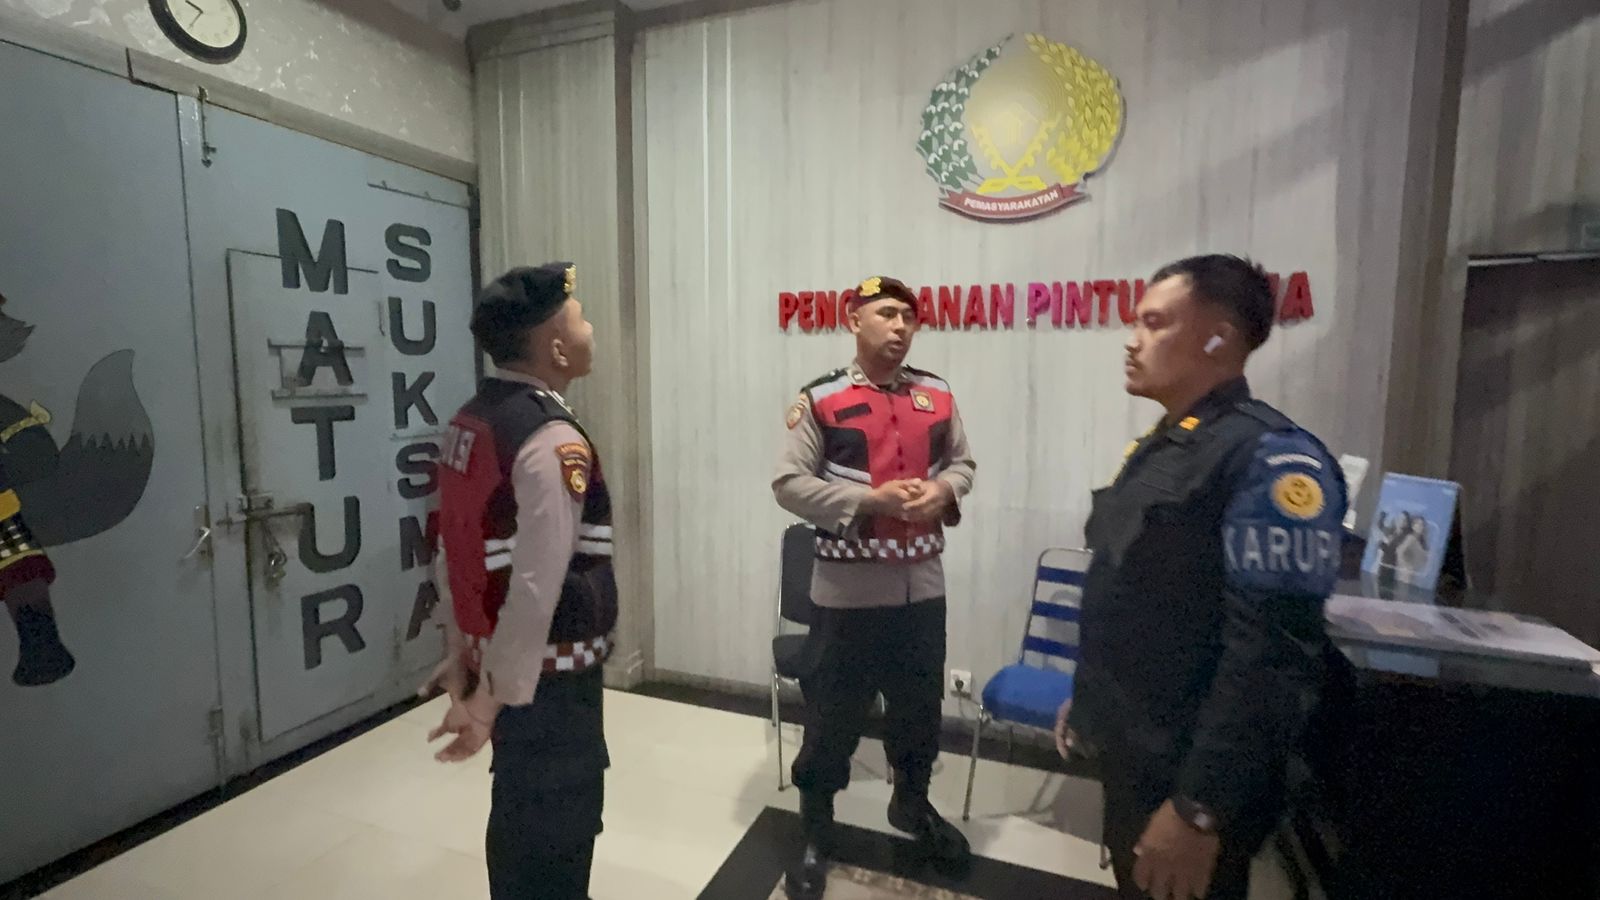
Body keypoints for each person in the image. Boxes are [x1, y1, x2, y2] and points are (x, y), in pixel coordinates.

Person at [1054, 255, 1346, 900]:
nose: (1132, 341)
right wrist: (1093, 695)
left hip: (1187, 769)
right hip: (1137, 747)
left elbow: (1271, 657)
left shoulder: (1271, 458)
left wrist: (1201, 806)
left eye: (1155, 323)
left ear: (1217, 337)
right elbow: (1141, 594)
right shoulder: (1172, 442)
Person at [772, 275, 977, 899]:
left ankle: (911, 804)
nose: (900, 326)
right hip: (848, 598)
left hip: (922, 593)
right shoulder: (821, 398)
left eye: (908, 317)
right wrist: (869, 501)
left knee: (919, 715)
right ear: (853, 321)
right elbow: (788, 484)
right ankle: (817, 828)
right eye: (886, 313)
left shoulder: (937, 394)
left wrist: (943, 490)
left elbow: (963, 464)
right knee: (832, 722)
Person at [423, 262, 617, 900]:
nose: (591, 329)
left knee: (519, 820)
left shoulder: (473, 420)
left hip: (506, 673)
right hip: (551, 688)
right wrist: (486, 703)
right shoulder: (550, 437)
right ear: (556, 349)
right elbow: (538, 587)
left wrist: (463, 654)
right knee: (557, 832)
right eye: (581, 318)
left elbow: (453, 550)